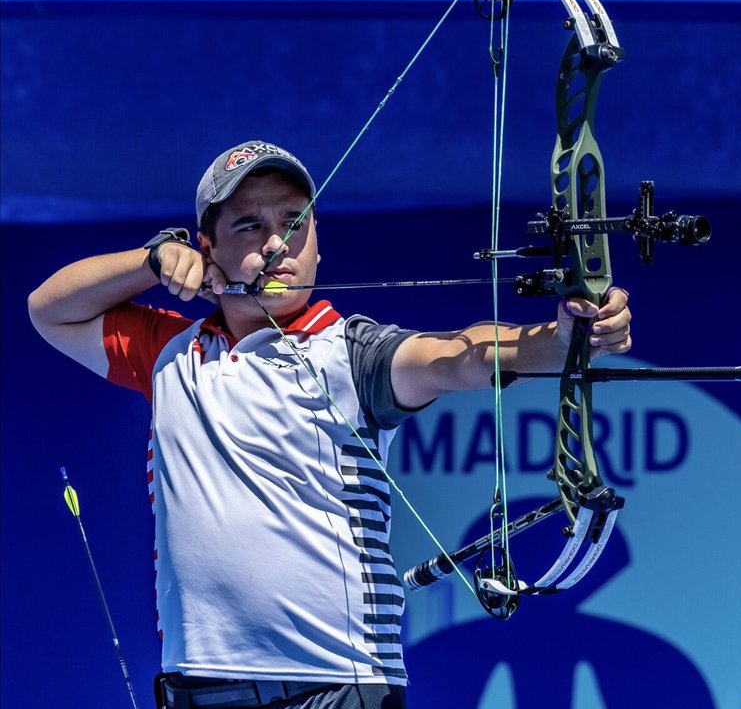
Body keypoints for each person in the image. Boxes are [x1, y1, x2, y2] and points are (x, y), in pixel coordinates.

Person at [27, 140, 632, 709]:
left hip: (338, 688)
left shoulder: (351, 353)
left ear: (318, 242)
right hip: (199, 689)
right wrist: (152, 259)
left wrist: (563, 340)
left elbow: (464, 353)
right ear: (206, 250)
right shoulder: (168, 351)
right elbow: (50, 311)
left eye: (294, 224)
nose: (275, 245)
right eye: (248, 225)